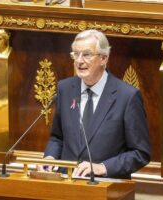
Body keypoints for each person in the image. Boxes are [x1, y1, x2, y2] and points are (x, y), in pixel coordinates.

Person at [39, 29, 151, 179]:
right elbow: (57, 137)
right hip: (66, 184)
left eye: (86, 54)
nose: (79, 61)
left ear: (104, 58)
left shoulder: (127, 97)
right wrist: (50, 158)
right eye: (75, 54)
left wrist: (102, 168)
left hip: (104, 186)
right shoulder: (65, 89)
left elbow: (140, 153)